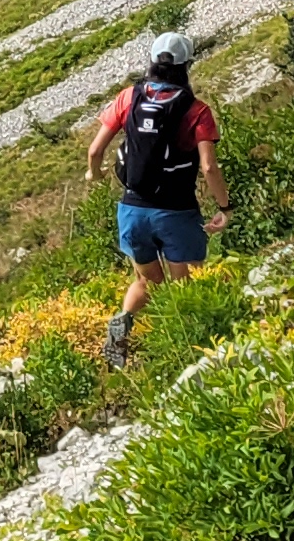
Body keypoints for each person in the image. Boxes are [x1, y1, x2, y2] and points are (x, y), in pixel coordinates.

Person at [83, 28, 228, 360]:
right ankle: (189, 354)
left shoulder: (128, 97)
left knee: (147, 281)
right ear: (186, 65)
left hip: (132, 209)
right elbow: (209, 168)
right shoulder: (197, 111)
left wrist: (96, 173)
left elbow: (95, 150)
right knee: (186, 287)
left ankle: (123, 321)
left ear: (151, 62)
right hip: (176, 212)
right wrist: (225, 206)